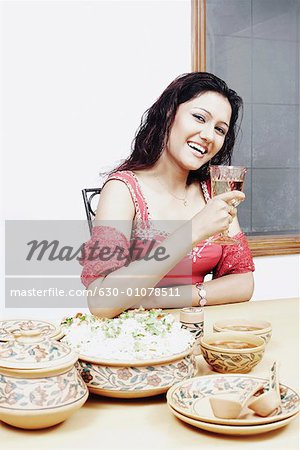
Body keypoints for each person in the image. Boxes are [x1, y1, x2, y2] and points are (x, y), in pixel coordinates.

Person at [80, 72, 254, 318]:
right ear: (169, 113)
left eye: (219, 129)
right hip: (139, 343)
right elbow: (100, 302)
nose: (208, 135)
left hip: (197, 331)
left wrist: (155, 299)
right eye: (198, 117)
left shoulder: (213, 192)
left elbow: (243, 283)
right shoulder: (123, 189)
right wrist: (193, 230)